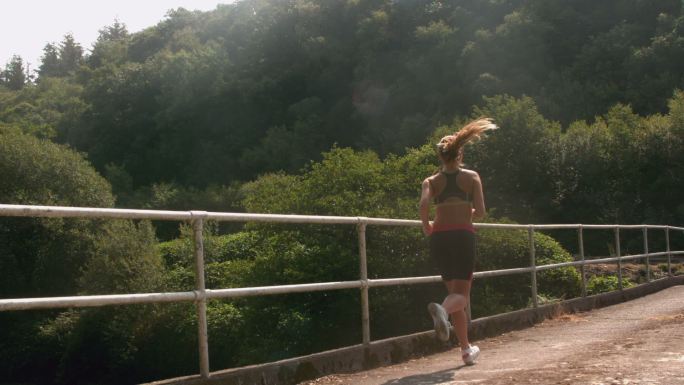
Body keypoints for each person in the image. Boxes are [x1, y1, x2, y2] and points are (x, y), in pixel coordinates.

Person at [419, 118, 496, 366]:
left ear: (440, 157)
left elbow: (423, 204)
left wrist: (427, 226)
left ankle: (465, 349)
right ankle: (442, 310)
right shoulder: (472, 177)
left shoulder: (431, 181)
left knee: (455, 294)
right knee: (461, 297)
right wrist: (468, 213)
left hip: (439, 238)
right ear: (459, 153)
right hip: (462, 236)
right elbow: (481, 212)